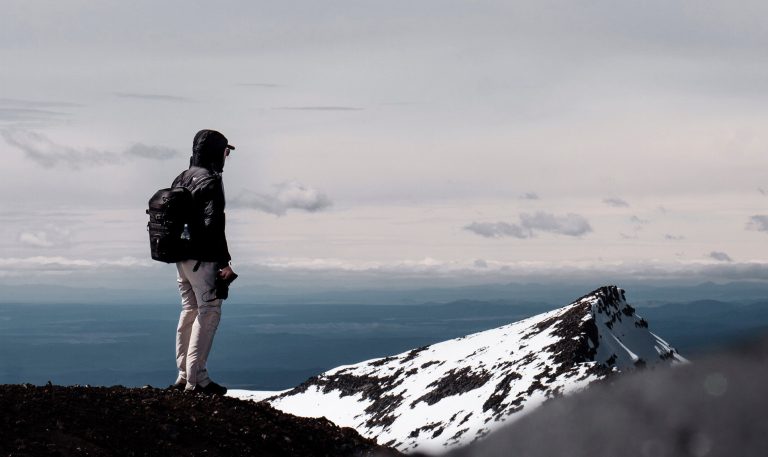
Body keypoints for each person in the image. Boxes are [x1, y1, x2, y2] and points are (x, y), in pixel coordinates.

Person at [169, 129, 238, 395]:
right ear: (216, 152)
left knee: (189, 310)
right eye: (226, 151)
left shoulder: (181, 177)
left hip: (180, 257)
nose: (227, 156)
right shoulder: (210, 180)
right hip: (203, 258)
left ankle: (184, 374)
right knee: (208, 310)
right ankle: (197, 380)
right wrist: (224, 262)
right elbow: (214, 224)